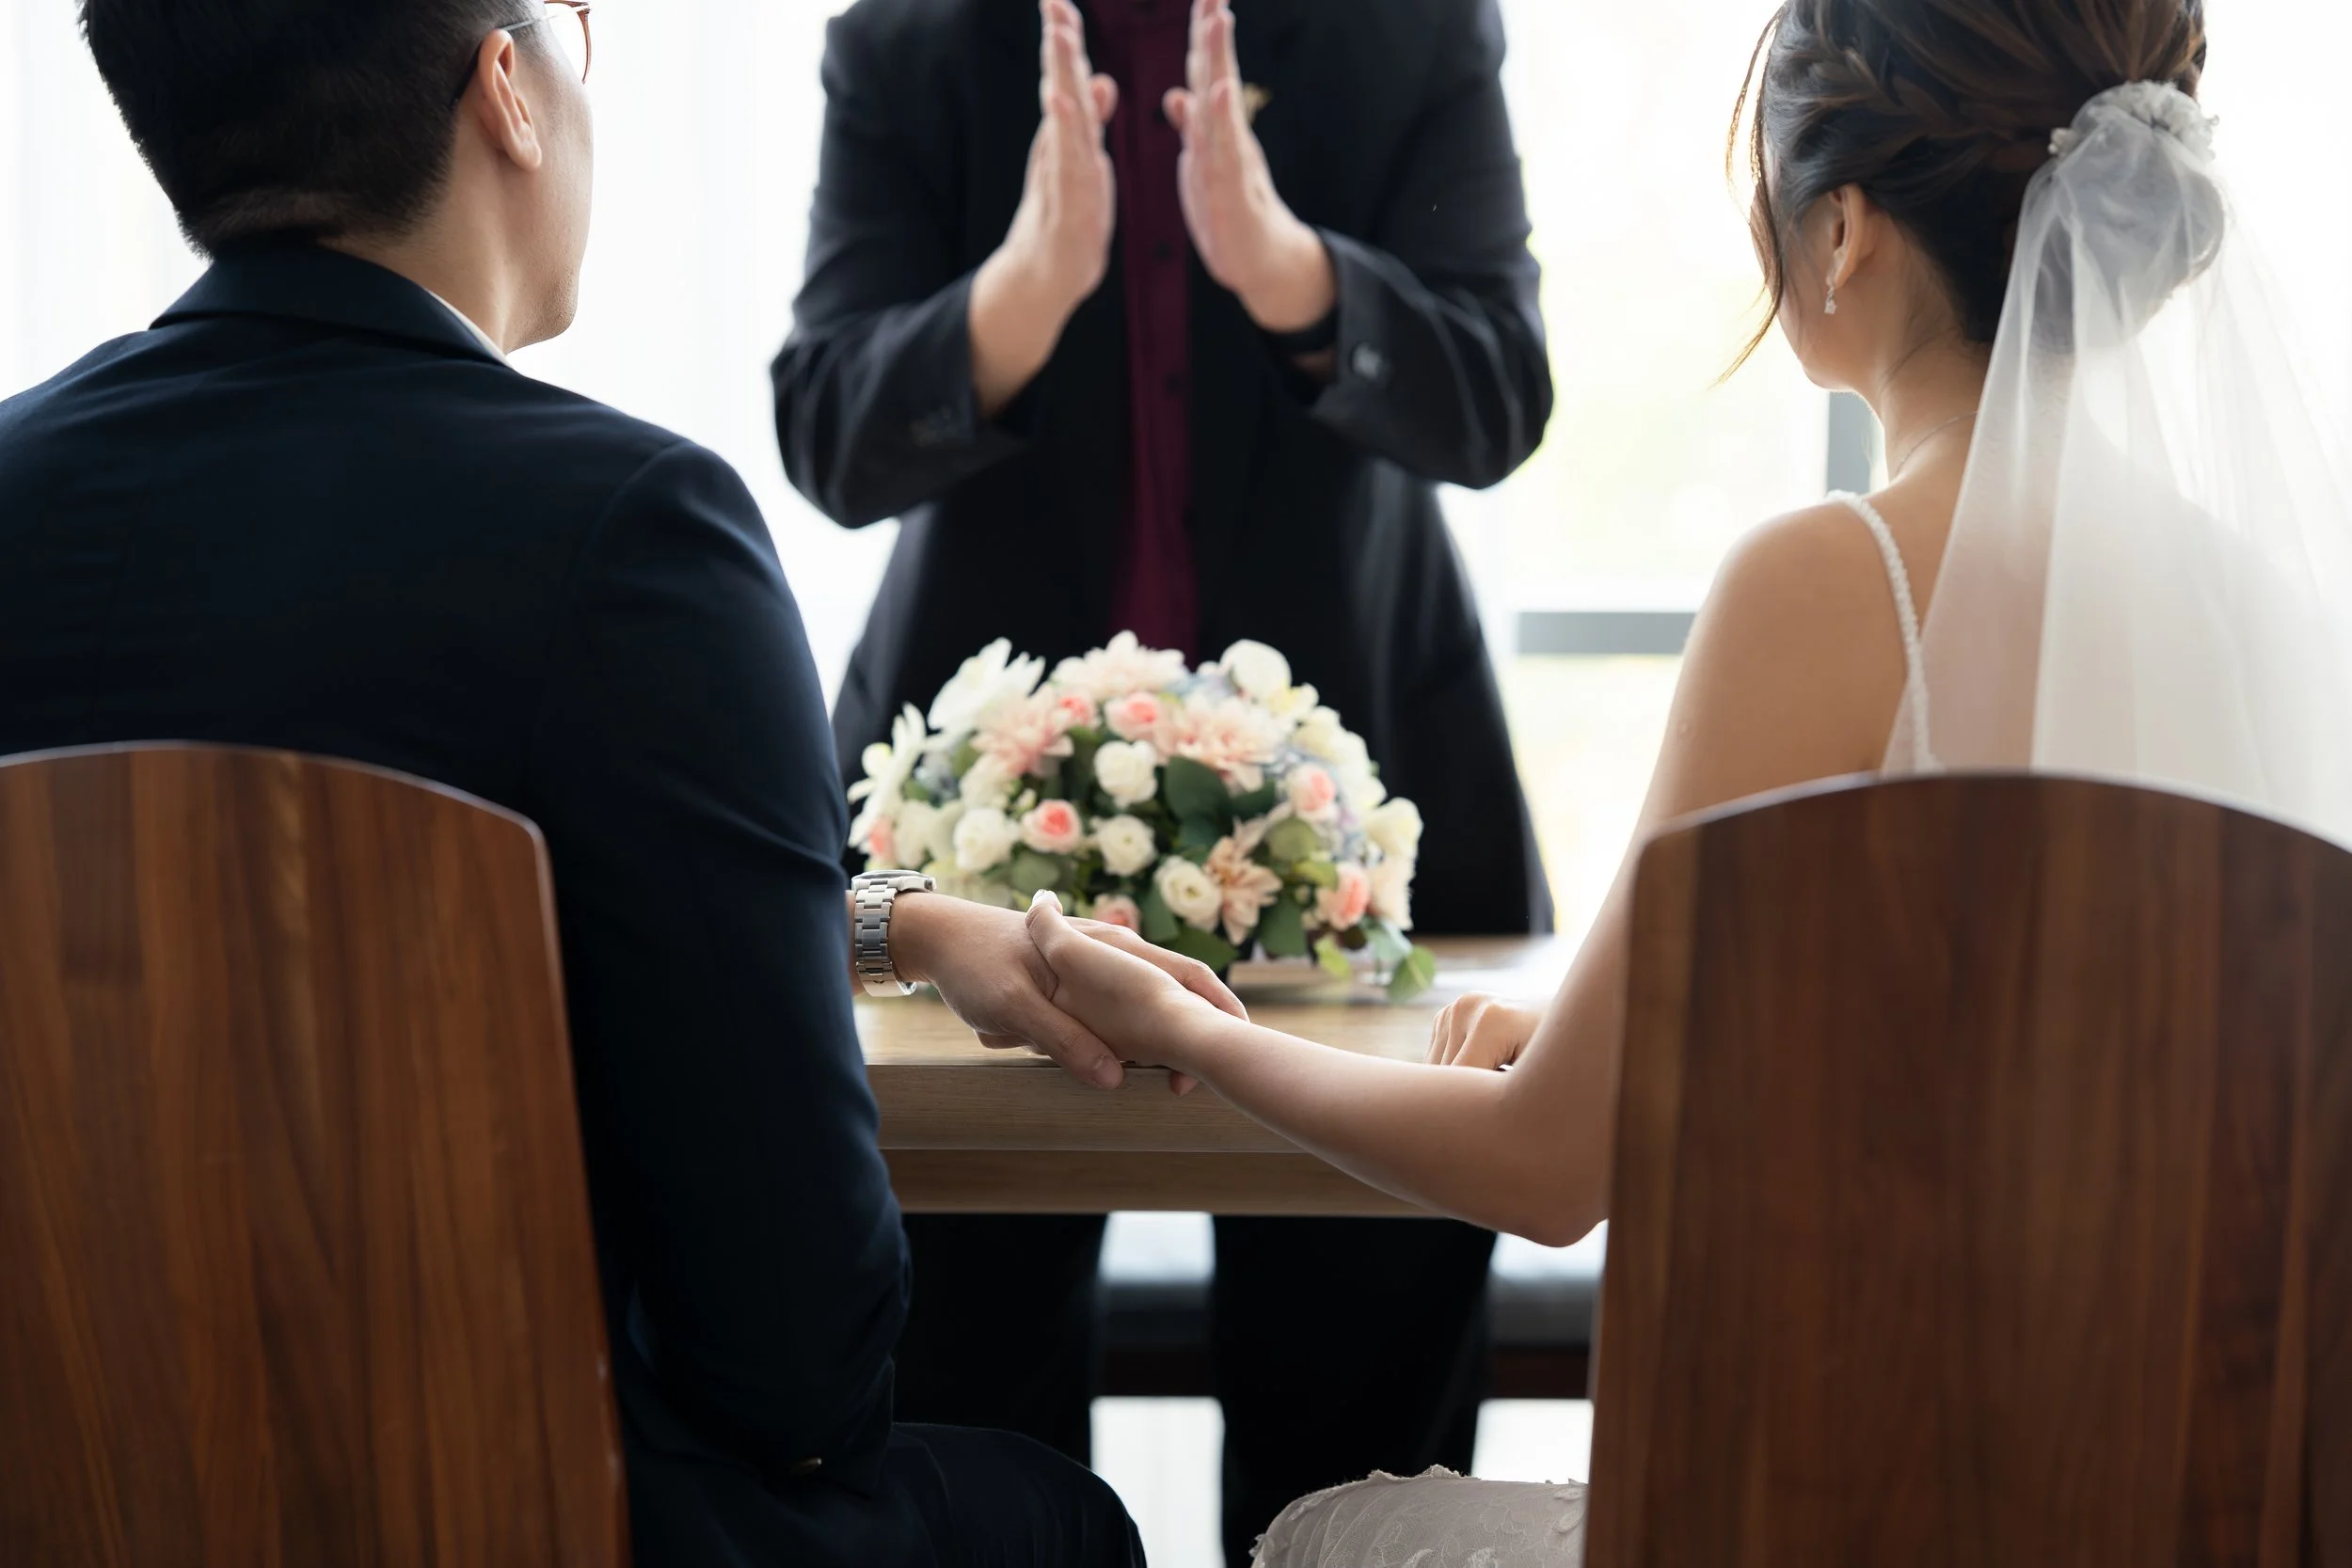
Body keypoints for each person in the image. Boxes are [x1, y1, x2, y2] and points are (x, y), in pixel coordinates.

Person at [1018, 0, 2352, 1560]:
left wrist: (1185, 1025)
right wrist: (1642, 1035)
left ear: (1841, 231)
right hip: (2181, 1517)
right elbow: (2020, 1052)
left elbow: (1541, 1175)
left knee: (1325, 1534)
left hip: (1836, 1509)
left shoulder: (1832, 577)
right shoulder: (2258, 602)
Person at [0, 3, 1245, 1563]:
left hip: (61, 1506)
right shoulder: (632, 533)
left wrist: (879, 922)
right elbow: (799, 1363)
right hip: (525, 1523)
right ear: (509, 92)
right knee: (1056, 1514)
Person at [771, 1, 1553, 1552]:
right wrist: (1018, 294)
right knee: (966, 1425)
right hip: (964, 879)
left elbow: (1500, 396)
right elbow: (828, 435)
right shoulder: (905, 44)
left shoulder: (1417, 30)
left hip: (1361, 865)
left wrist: (1293, 275)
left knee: (1358, 1457)